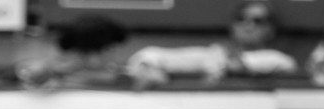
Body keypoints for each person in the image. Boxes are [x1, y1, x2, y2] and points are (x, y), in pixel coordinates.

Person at [125, 0, 296, 89]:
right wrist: (147, 65)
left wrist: (234, 65)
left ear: (271, 29)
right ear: (232, 25)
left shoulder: (280, 60)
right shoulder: (214, 54)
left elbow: (279, 64)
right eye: (241, 18)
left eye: (258, 21)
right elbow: (154, 54)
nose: (248, 25)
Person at [15, 14, 129, 90]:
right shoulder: (49, 75)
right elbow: (31, 73)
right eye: (85, 52)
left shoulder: (124, 76)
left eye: (108, 49)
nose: (94, 60)